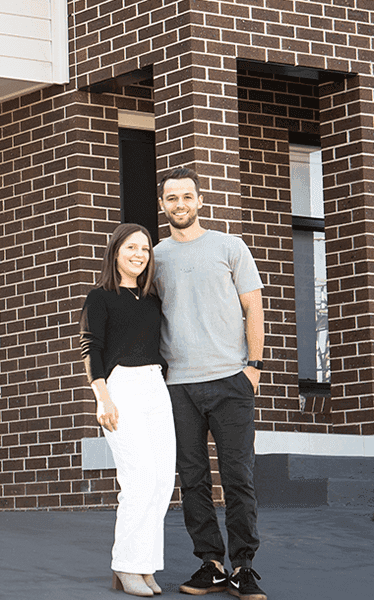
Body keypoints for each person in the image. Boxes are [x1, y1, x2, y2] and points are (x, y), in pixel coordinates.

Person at [152, 167, 267, 600]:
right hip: (178, 385)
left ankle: (245, 567)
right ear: (162, 205)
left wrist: (253, 366)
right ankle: (211, 563)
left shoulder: (229, 246)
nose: (180, 204)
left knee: (238, 475)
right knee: (194, 478)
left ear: (199, 201)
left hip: (230, 379)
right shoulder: (156, 256)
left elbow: (253, 306)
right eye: (171, 198)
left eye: (187, 197)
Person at [79, 223, 175, 597]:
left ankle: (145, 565)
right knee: (138, 481)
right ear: (115, 252)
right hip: (120, 388)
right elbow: (91, 348)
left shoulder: (153, 298)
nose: (139, 255)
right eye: (131, 248)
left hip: (155, 386)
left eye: (145, 249)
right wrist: (103, 397)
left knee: (163, 481)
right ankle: (126, 565)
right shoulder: (100, 297)